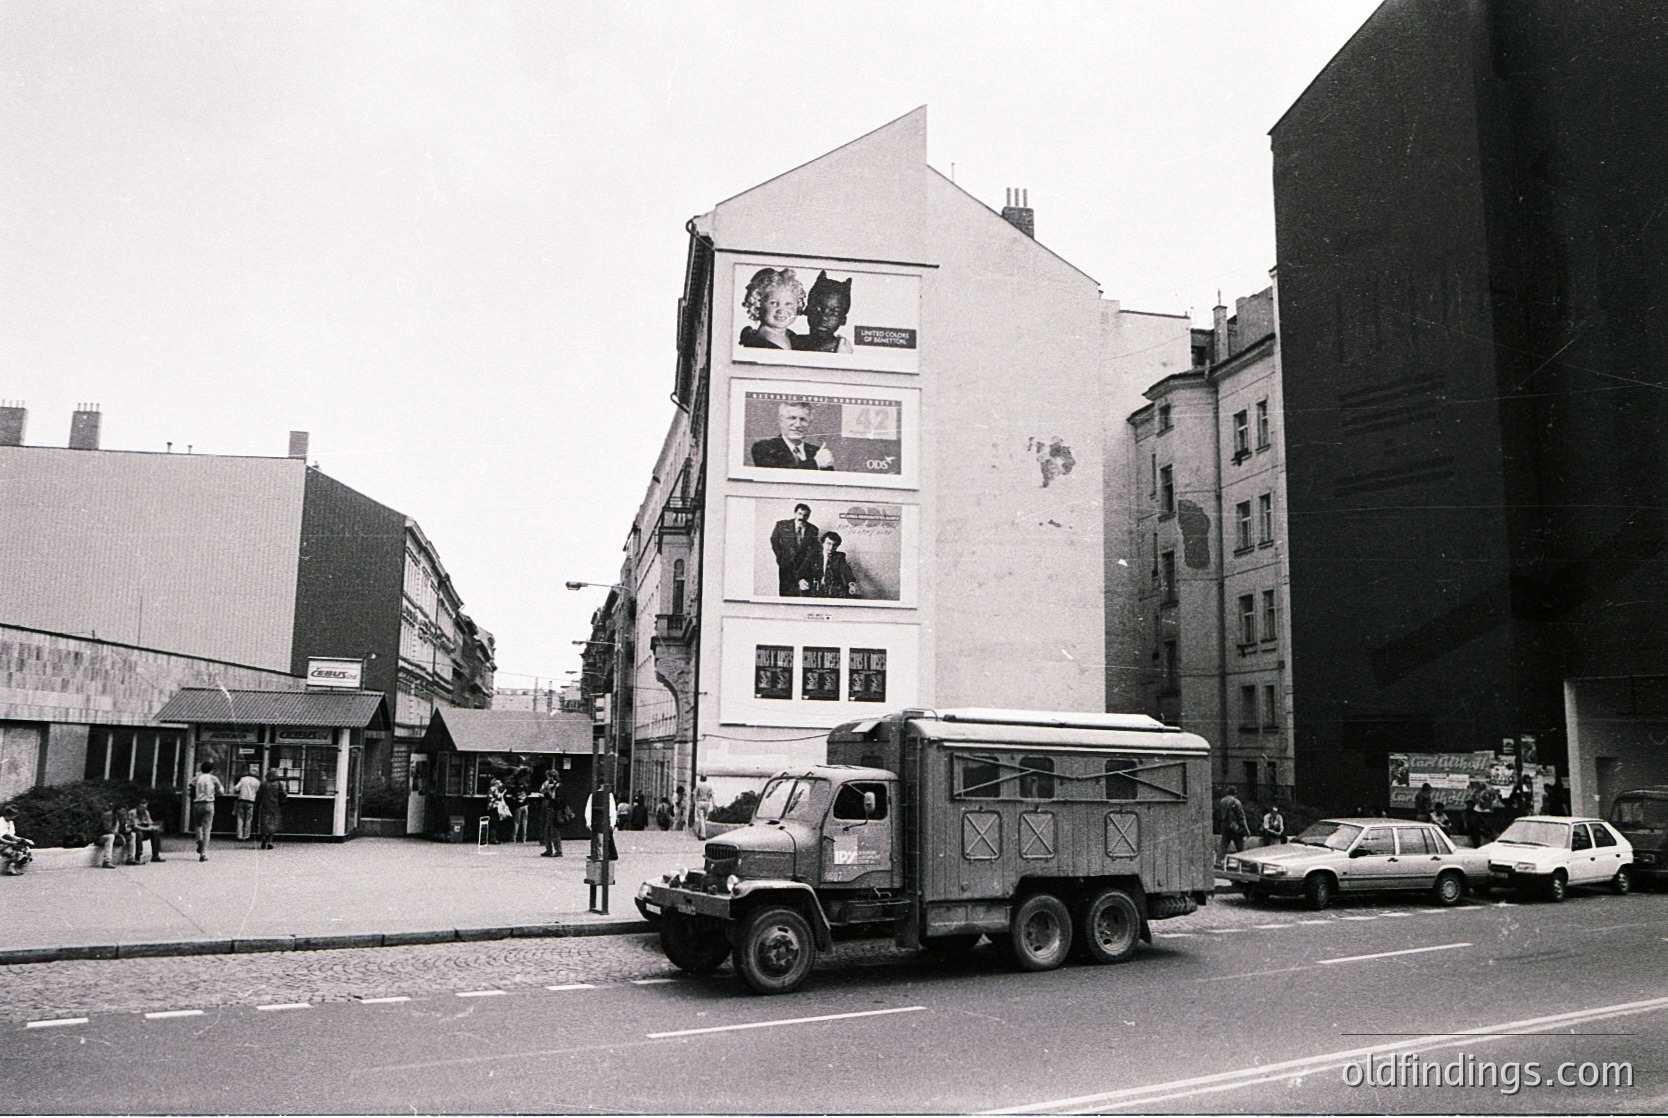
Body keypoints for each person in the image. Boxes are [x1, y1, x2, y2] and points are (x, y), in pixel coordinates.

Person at [751, 400, 834, 470]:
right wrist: (815, 463)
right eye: (792, 418)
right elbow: (779, 475)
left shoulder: (817, 452)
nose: (798, 425)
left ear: (809, 424)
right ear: (780, 421)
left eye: (803, 419)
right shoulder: (764, 447)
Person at [738, 267, 806, 350]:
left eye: (788, 304)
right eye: (773, 303)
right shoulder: (763, 341)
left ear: (797, 305)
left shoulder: (790, 336)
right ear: (758, 303)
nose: (781, 310)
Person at [791, 270, 853, 353]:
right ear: (807, 310)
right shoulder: (793, 342)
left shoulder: (842, 349)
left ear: (843, 320)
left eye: (834, 313)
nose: (824, 317)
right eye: (818, 309)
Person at [768, 503, 822, 597]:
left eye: (805, 515)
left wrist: (808, 561)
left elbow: (815, 548)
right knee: (786, 593)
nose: (802, 517)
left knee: (804, 593)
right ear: (795, 513)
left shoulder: (813, 529)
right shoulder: (782, 525)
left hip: (804, 566)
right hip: (786, 564)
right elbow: (774, 540)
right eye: (800, 514)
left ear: (808, 516)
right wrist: (780, 557)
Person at [799, 530, 860, 598]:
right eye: (828, 544)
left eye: (834, 545)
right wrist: (802, 580)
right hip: (815, 589)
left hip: (834, 591)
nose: (831, 548)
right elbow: (801, 571)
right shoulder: (813, 555)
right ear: (822, 543)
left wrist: (851, 584)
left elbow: (846, 571)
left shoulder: (839, 557)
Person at [190, 761, 224, 861]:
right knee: (207, 829)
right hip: (209, 804)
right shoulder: (214, 778)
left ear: (201, 769)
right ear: (212, 770)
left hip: (197, 804)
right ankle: (203, 853)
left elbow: (191, 789)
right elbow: (220, 791)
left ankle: (199, 841)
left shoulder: (196, 778)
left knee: (197, 825)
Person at [584, 783, 619, 862]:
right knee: (603, 839)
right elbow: (612, 810)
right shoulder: (609, 795)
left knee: (596, 839)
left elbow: (588, 809)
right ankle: (602, 855)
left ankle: (598, 855)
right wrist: (613, 822)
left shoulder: (593, 795)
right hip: (605, 821)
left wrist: (588, 821)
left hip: (596, 820)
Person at [1215, 785, 1249, 863]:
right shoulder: (1236, 802)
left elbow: (1218, 813)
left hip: (1224, 824)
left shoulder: (1222, 801)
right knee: (1239, 845)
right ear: (1235, 793)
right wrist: (1246, 829)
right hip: (1234, 826)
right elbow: (1241, 817)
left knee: (1224, 844)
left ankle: (1218, 860)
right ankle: (1243, 862)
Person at [255, 768, 287, 849]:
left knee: (264, 823)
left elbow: (258, 795)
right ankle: (270, 840)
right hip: (275, 806)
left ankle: (264, 838)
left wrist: (257, 805)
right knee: (273, 823)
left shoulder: (264, 784)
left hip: (264, 806)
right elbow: (283, 794)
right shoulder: (278, 784)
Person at [126, 799, 165, 865]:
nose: (143, 808)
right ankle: (138, 856)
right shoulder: (132, 813)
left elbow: (150, 823)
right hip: (135, 830)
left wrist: (152, 828)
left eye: (144, 806)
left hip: (144, 829)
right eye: (141, 806)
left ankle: (155, 855)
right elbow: (135, 826)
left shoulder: (146, 812)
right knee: (139, 834)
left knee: (155, 832)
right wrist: (148, 829)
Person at [538, 769, 566, 857]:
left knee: (554, 831)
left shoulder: (558, 786)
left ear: (551, 777)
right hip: (551, 809)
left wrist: (546, 795)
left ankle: (558, 850)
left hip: (555, 810)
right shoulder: (553, 786)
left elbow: (557, 800)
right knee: (547, 830)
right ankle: (549, 849)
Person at [233, 766, 262, 841]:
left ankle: (239, 836)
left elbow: (236, 788)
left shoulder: (243, 779)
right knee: (248, 819)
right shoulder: (257, 782)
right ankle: (246, 836)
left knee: (240, 818)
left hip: (241, 800)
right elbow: (258, 791)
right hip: (251, 801)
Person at [95, 801, 125, 869]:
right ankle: (107, 861)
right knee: (110, 837)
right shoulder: (108, 815)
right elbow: (107, 829)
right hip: (102, 836)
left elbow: (121, 828)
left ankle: (131, 858)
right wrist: (118, 834)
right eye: (123, 810)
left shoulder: (119, 816)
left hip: (115, 835)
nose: (124, 812)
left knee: (132, 835)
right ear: (118, 809)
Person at [486, 778, 510, 844]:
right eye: (499, 782)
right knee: (494, 822)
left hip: (494, 807)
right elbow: (495, 797)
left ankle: (493, 837)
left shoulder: (494, 789)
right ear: (496, 783)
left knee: (495, 822)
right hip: (494, 807)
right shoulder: (493, 789)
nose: (500, 784)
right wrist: (501, 794)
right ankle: (493, 838)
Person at [692, 774, 715, 840]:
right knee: (704, 818)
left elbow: (694, 794)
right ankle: (700, 833)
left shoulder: (699, 785)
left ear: (701, 778)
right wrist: (714, 804)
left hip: (700, 802)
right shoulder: (709, 786)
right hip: (707, 802)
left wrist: (694, 802)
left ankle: (703, 835)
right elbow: (712, 795)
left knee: (701, 819)